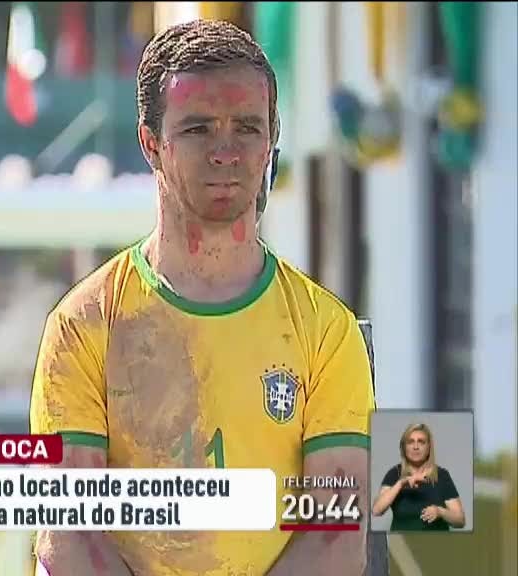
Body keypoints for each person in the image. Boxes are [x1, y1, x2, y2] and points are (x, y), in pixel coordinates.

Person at [29, 19, 375, 576]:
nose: (225, 151)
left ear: (272, 138)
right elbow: (71, 534)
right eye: (197, 129)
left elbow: (336, 537)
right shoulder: (84, 324)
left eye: (247, 127)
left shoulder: (325, 331)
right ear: (151, 143)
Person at [372, 422, 466, 532]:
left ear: (429, 447)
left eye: (421, 442)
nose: (415, 447)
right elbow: (376, 510)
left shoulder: (442, 475)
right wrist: (400, 483)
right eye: (410, 442)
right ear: (404, 447)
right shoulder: (394, 474)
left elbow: (460, 520)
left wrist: (440, 512)